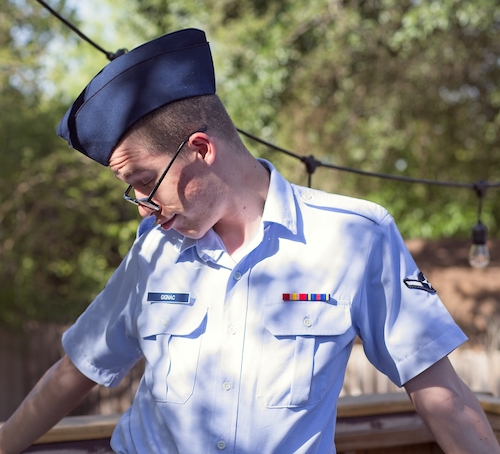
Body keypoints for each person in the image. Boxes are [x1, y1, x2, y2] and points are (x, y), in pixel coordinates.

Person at [0, 28, 498, 454]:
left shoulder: (354, 236)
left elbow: (441, 393)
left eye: (146, 182)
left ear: (201, 149)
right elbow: (79, 367)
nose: (143, 207)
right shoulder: (154, 249)